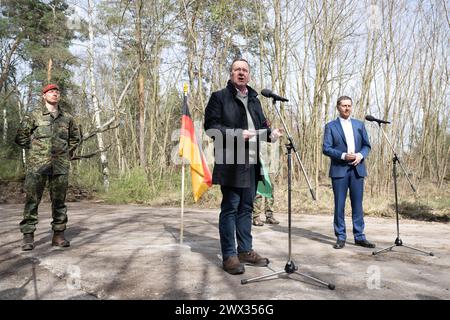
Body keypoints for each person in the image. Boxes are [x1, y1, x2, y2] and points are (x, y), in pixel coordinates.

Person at [204, 58, 283, 274]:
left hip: (252, 162)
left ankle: (245, 250)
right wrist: (237, 134)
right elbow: (211, 128)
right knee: (230, 208)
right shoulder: (219, 97)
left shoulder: (256, 100)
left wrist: (272, 135)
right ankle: (229, 255)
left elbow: (261, 127)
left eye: (245, 70)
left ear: (249, 75)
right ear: (231, 74)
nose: (241, 73)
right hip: (230, 162)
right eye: (237, 69)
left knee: (247, 208)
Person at [15, 83, 80, 251]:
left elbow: (75, 138)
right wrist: (35, 151)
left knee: (59, 201)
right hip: (37, 166)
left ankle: (58, 235)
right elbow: (21, 137)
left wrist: (66, 153)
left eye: (57, 92)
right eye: (50, 92)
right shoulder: (34, 115)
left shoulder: (67, 118)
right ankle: (28, 236)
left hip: (60, 166)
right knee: (32, 201)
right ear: (44, 96)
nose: (54, 94)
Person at [322, 96, 375, 249]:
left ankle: (359, 236)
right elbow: (326, 148)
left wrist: (360, 155)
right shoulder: (331, 126)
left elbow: (367, 145)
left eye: (349, 106)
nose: (347, 108)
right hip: (339, 170)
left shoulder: (360, 125)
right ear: (338, 107)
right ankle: (341, 236)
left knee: (357, 205)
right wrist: (344, 155)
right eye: (344, 105)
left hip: (358, 170)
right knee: (339, 205)